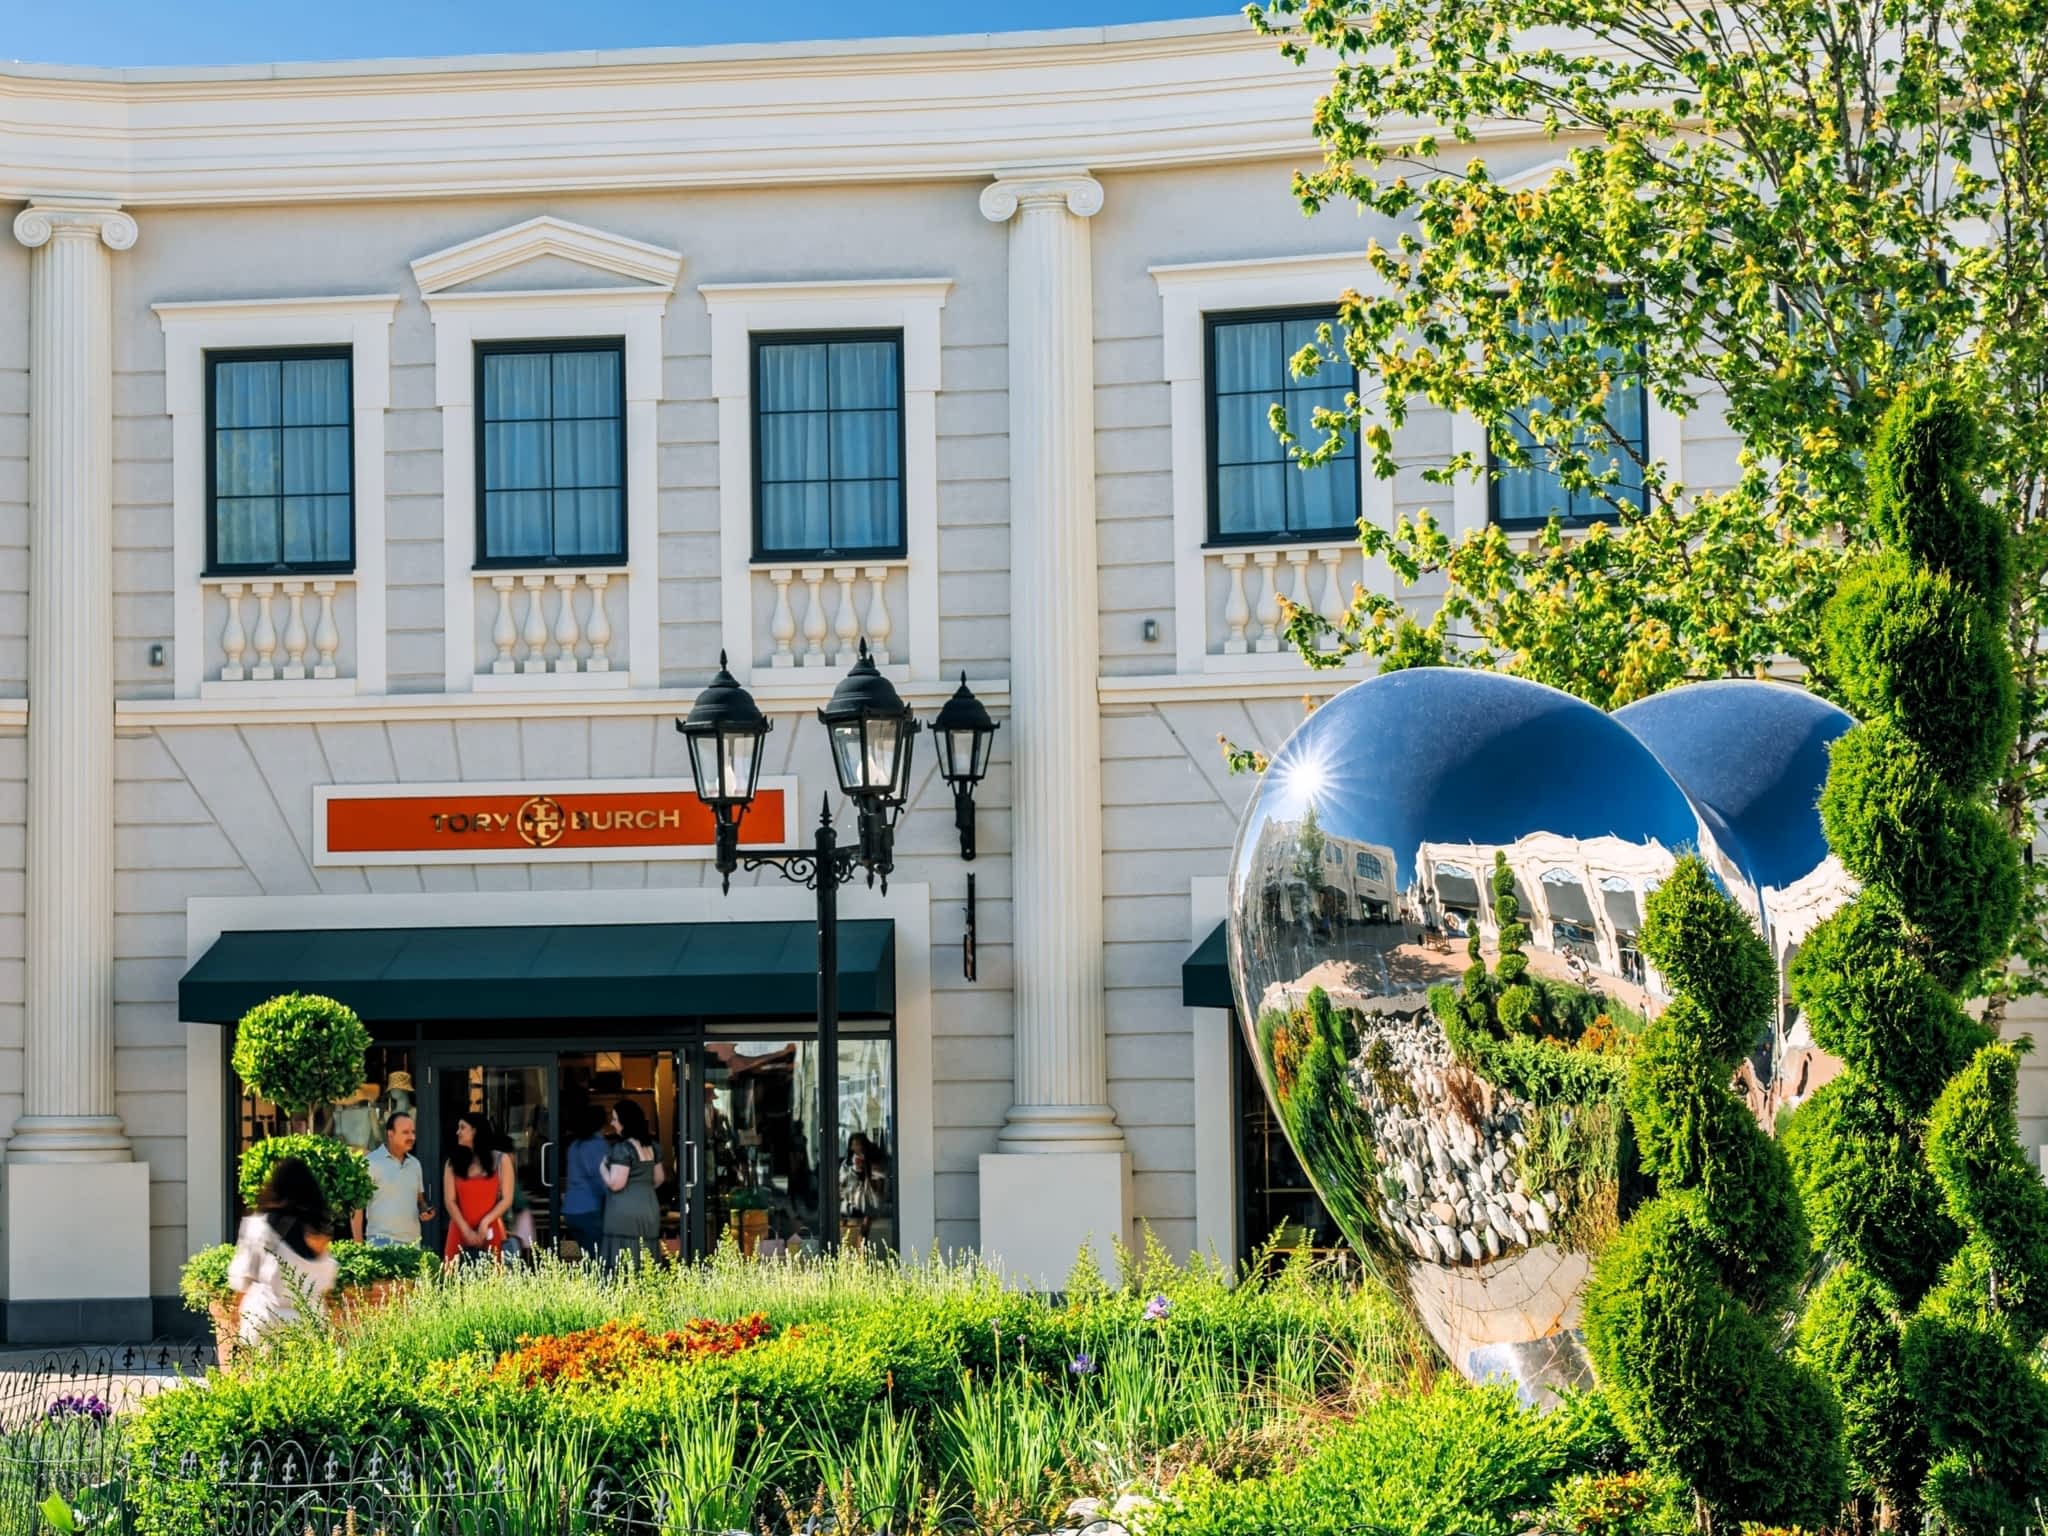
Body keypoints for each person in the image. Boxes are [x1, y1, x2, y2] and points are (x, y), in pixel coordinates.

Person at [228, 1156, 338, 1346]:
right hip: (309, 1324)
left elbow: (241, 1278)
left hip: (266, 1320)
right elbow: (326, 1283)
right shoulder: (318, 1232)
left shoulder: (258, 1226)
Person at [352, 1110, 435, 1247]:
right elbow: (357, 1208)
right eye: (405, 1132)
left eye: (413, 1132)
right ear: (390, 1134)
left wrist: (425, 1209)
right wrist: (358, 1246)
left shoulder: (415, 1164)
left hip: (412, 1244)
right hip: (380, 1242)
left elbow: (419, 1200)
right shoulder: (370, 1162)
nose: (412, 1137)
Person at [442, 1110, 514, 1266]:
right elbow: (450, 1201)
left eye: (462, 1127)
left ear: (475, 1131)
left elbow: (507, 1198)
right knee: (453, 1282)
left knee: (493, 1282)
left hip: (491, 1229)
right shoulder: (452, 1163)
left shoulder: (501, 1160)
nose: (457, 1132)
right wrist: (466, 1230)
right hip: (459, 1229)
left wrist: (485, 1222)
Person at [600, 1100, 664, 1273]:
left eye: (614, 1119)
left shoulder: (622, 1149)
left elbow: (616, 1184)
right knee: (646, 1259)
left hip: (624, 1213)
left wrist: (602, 1169)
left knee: (623, 1262)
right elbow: (659, 1179)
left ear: (625, 1121)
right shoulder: (653, 1147)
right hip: (649, 1209)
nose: (612, 1123)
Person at [559, 1104, 611, 1264]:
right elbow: (599, 1177)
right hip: (590, 1209)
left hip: (571, 1210)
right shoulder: (598, 1145)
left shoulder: (575, 1145)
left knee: (587, 1256)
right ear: (603, 1123)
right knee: (598, 1259)